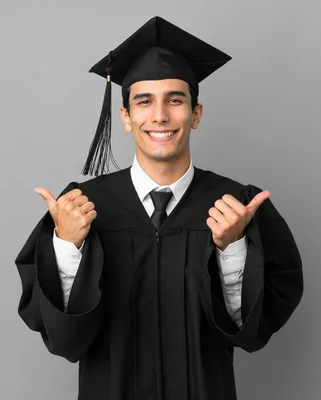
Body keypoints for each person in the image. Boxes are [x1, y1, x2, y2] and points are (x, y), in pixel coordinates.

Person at [15, 16, 303, 400]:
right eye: (144, 101)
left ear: (195, 114)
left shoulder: (235, 208)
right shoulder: (82, 208)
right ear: (126, 117)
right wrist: (68, 247)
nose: (160, 116)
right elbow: (65, 342)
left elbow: (249, 335)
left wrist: (232, 250)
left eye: (175, 100)